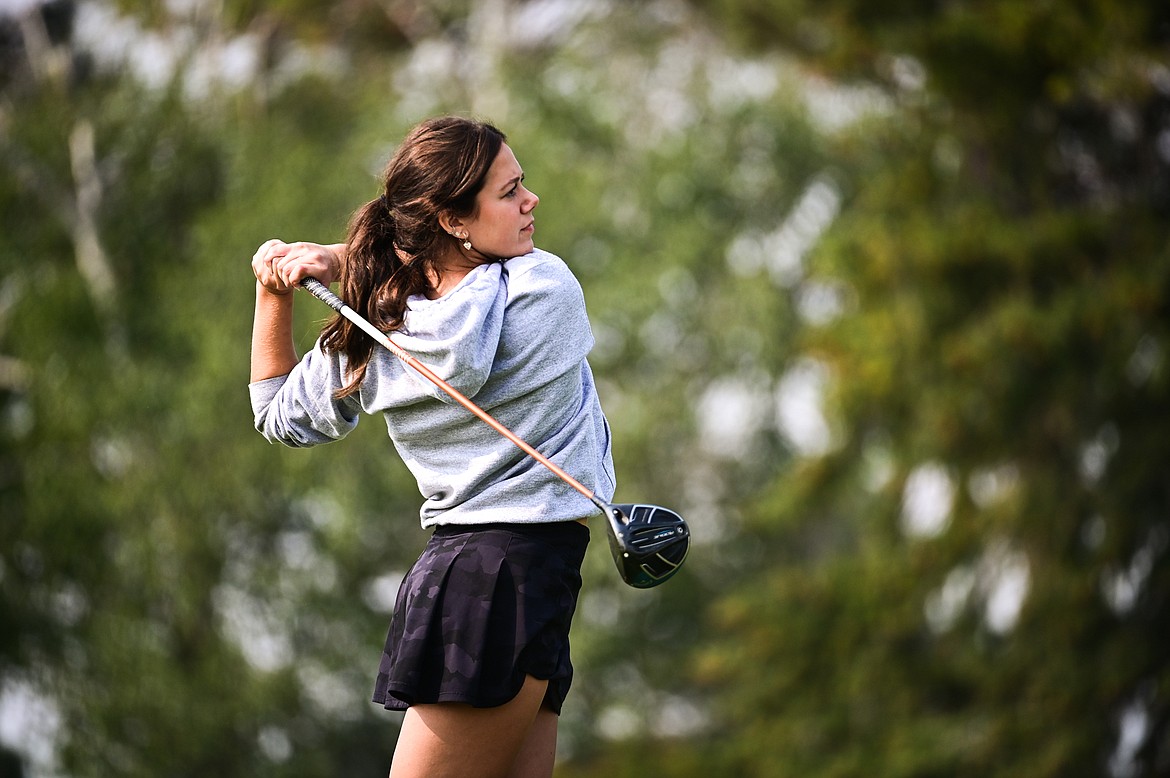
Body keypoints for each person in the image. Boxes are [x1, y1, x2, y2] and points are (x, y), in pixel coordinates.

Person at [248, 116, 615, 778]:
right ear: (452, 220)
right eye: (510, 193)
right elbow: (462, 299)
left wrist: (276, 294)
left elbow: (277, 414)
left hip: (484, 576)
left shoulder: (377, 324)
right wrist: (350, 259)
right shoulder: (545, 287)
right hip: (519, 575)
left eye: (522, 185)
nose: (531, 202)